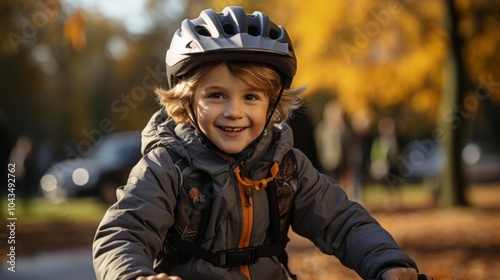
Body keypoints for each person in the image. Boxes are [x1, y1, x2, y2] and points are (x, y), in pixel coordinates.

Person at [92, 6, 431, 280]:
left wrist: (387, 263)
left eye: (251, 96)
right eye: (216, 95)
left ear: (273, 104)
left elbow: (342, 221)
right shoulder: (166, 167)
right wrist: (132, 275)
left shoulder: (286, 165)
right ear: (187, 102)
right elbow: (124, 232)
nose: (233, 112)